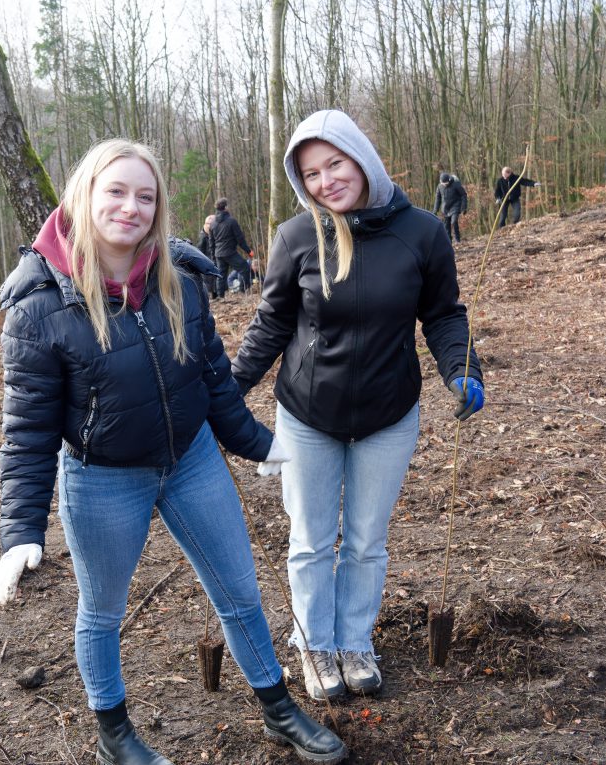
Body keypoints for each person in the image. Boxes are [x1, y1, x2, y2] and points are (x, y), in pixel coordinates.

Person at [0, 139, 347, 765]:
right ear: (86, 195)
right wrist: (21, 530)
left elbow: (211, 380)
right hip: (102, 480)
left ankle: (277, 709)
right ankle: (115, 736)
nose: (131, 207)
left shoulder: (177, 279)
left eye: (145, 197)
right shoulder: (40, 307)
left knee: (240, 591)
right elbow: (27, 431)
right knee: (101, 612)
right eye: (117, 192)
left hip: (193, 461)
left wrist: (258, 442)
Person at [232, 110, 484, 701]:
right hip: (307, 414)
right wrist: (225, 389)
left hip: (389, 414)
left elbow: (444, 314)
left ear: (361, 158)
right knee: (312, 538)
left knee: (367, 539)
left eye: (335, 164)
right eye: (312, 174)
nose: (326, 182)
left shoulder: (422, 232)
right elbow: (270, 325)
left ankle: (354, 641)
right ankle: (315, 645)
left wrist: (463, 368)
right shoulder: (297, 238)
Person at [210, 198, 253, 297]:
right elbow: (240, 239)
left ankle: (220, 297)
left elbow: (211, 243)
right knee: (245, 269)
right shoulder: (232, 221)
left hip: (218, 254)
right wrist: (249, 251)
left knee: (220, 275)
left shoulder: (213, 224)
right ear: (225, 207)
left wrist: (213, 257)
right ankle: (243, 291)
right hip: (230, 253)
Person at [432, 172, 468, 243]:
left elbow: (463, 195)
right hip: (445, 209)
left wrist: (464, 207)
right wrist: (435, 210)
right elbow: (438, 199)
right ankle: (449, 242)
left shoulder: (456, 184)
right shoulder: (439, 187)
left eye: (446, 183)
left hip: (455, 206)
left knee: (454, 221)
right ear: (441, 182)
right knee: (446, 227)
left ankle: (457, 239)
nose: (445, 185)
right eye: (444, 184)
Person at [195, 214, 219, 299]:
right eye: (209, 224)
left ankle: (215, 295)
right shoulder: (203, 236)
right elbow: (200, 250)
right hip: (208, 261)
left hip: (214, 259)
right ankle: (211, 296)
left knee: (215, 279)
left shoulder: (214, 234)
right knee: (209, 280)